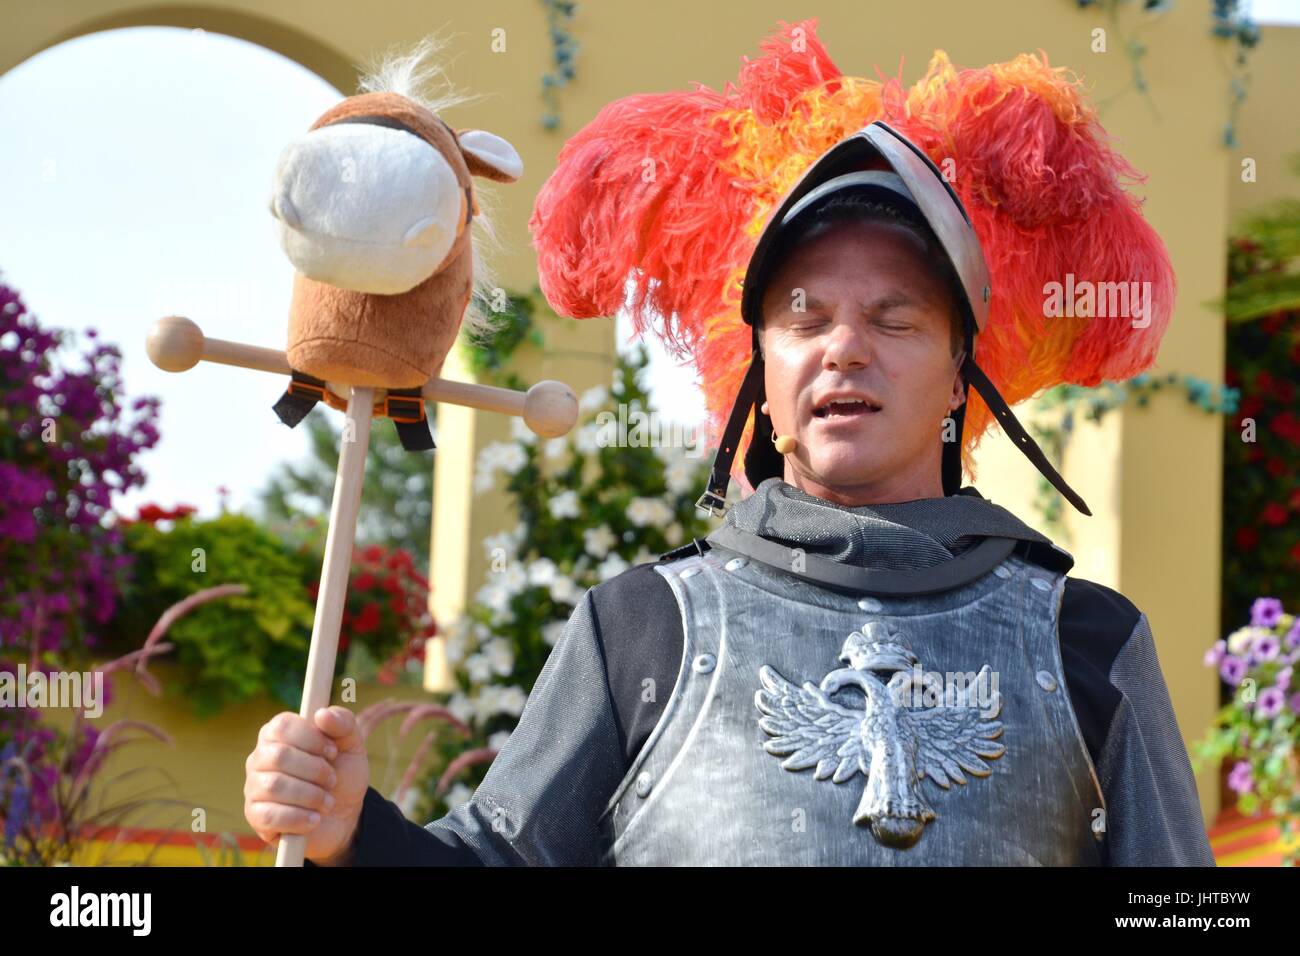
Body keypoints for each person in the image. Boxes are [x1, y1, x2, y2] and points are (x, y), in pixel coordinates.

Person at [243, 32, 1215, 866]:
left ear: (960, 375)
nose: (844, 346)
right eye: (805, 318)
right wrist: (352, 832)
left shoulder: (1088, 642)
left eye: (894, 318)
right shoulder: (638, 629)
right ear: (759, 366)